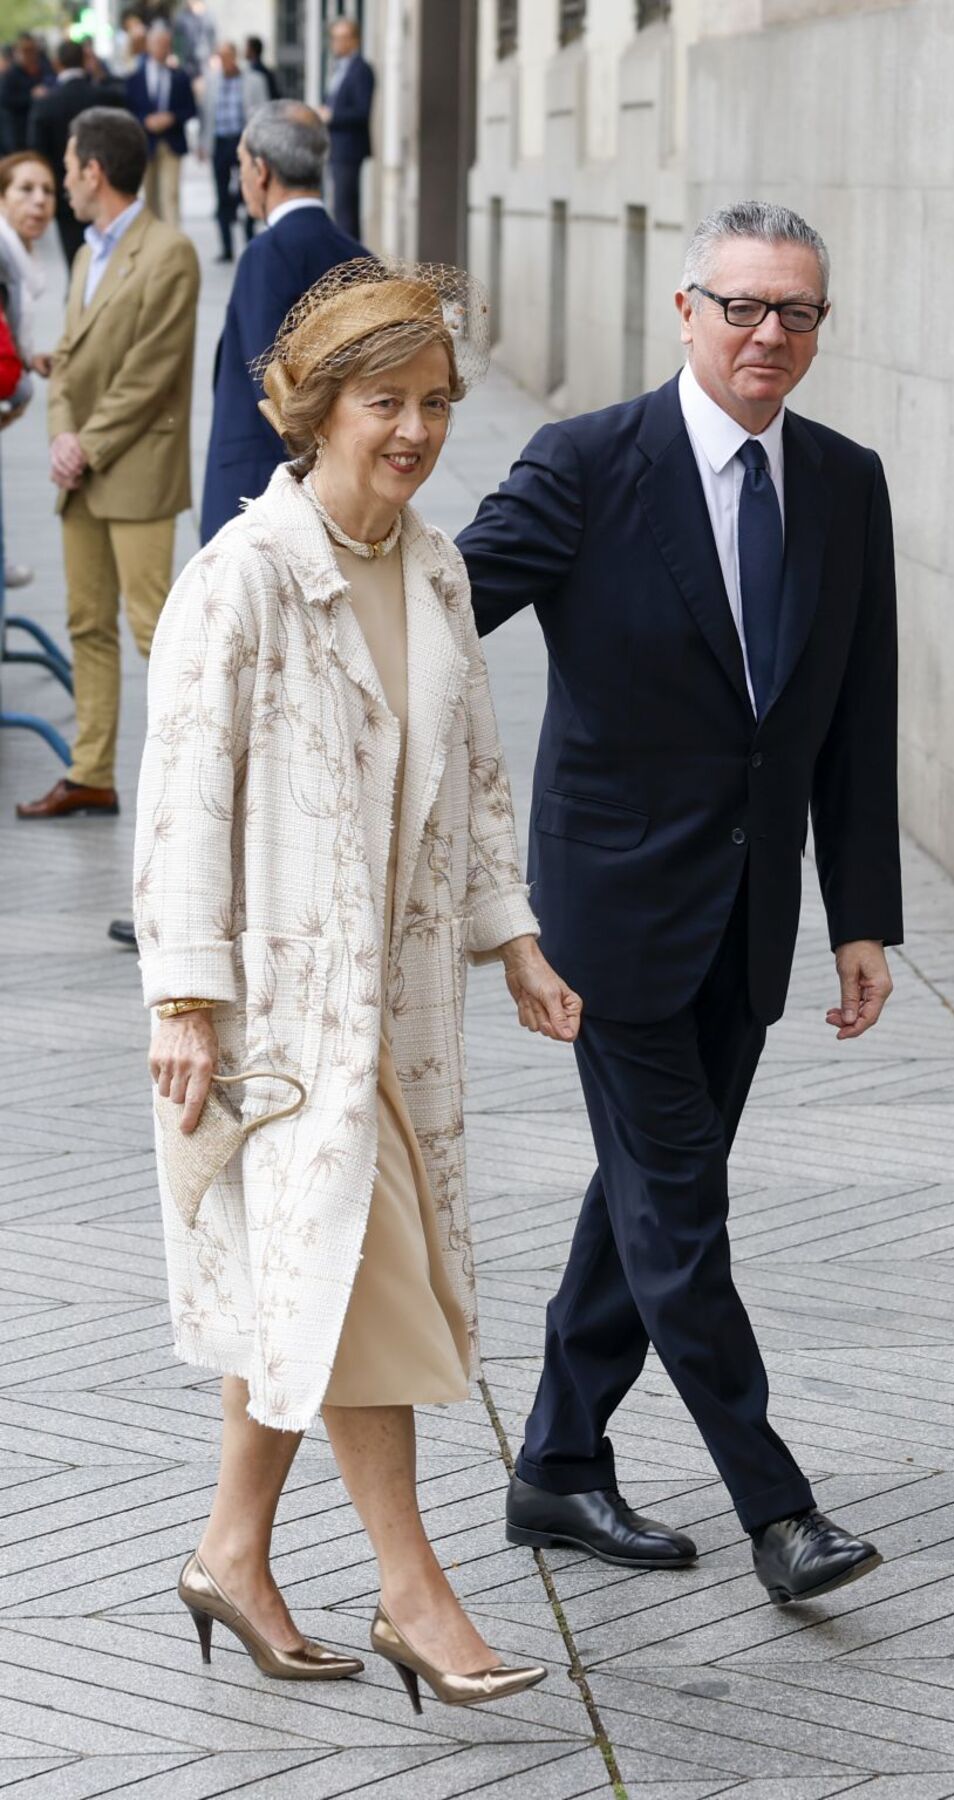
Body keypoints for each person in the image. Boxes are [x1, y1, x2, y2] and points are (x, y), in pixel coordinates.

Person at [133, 257, 581, 1705]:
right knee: (354, 1276)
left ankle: (230, 1555)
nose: (416, 430)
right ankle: (414, 1591)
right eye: (385, 401)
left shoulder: (439, 569)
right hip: (279, 1020)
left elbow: (478, 782)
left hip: (401, 1016)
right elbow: (183, 801)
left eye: (437, 402)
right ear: (315, 410)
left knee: (304, 1285)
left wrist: (512, 934)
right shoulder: (242, 582)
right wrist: (186, 1000)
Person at [458, 200, 903, 1607]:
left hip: (750, 915)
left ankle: (558, 1461)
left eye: (798, 314)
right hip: (612, 911)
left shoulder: (845, 483)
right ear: (686, 308)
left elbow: (851, 722)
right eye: (745, 308)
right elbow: (437, 607)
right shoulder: (588, 465)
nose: (770, 336)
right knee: (678, 1214)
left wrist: (861, 915)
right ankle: (780, 1511)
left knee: (653, 1198)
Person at [17, 108, 198, 830]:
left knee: (156, 632)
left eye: (66, 170)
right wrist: (63, 437)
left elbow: (151, 372)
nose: (61, 184)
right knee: (86, 624)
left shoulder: (170, 252)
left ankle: (187, 785)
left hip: (135, 468)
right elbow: (66, 360)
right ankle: (91, 774)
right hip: (83, 469)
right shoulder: (88, 252)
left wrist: (84, 444)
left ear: (95, 171)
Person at [200, 101, 363, 543]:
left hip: (261, 493)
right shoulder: (361, 259)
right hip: (348, 488)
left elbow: (270, 387)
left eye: (241, 163)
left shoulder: (265, 254)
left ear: (262, 170)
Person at [0, 150, 55, 587]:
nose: (39, 201)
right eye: (25, 190)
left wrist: (28, 356)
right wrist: (19, 391)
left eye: (48, 191)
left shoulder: (17, 259)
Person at [28, 38, 127, 270]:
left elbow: (37, 154)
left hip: (65, 194)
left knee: (75, 262)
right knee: (106, 262)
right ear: (86, 61)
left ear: (56, 63)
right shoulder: (104, 96)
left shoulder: (46, 103)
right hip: (106, 189)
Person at [197, 42, 269, 262]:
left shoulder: (254, 81)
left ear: (235, 56)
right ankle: (226, 247)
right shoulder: (211, 81)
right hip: (220, 143)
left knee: (247, 190)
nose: (225, 61)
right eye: (221, 57)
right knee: (221, 196)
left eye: (228, 56)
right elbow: (205, 115)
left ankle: (250, 242)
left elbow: (263, 112)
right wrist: (202, 144)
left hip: (244, 143)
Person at [126, 23, 195, 228]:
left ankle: (172, 242)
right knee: (148, 197)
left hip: (171, 144)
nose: (162, 49)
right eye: (158, 44)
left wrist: (172, 117)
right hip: (145, 144)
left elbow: (191, 109)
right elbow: (128, 110)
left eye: (166, 45)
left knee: (170, 196)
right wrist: (144, 120)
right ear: (148, 45)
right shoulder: (134, 78)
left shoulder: (180, 76)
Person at [319, 16, 372, 240]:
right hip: (335, 147)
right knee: (339, 208)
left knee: (346, 211)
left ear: (355, 40)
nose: (337, 43)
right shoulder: (338, 69)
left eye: (342, 38)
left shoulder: (361, 70)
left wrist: (331, 115)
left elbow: (362, 112)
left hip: (349, 149)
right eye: (334, 38)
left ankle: (352, 269)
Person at [0, 34, 52, 157]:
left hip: (43, 129)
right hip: (20, 131)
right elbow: (5, 100)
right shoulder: (11, 75)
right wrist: (31, 96)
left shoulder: (44, 68)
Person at [245, 36, 280, 101]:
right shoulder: (266, 72)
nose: (244, 50)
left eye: (246, 47)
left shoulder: (256, 72)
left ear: (252, 50)